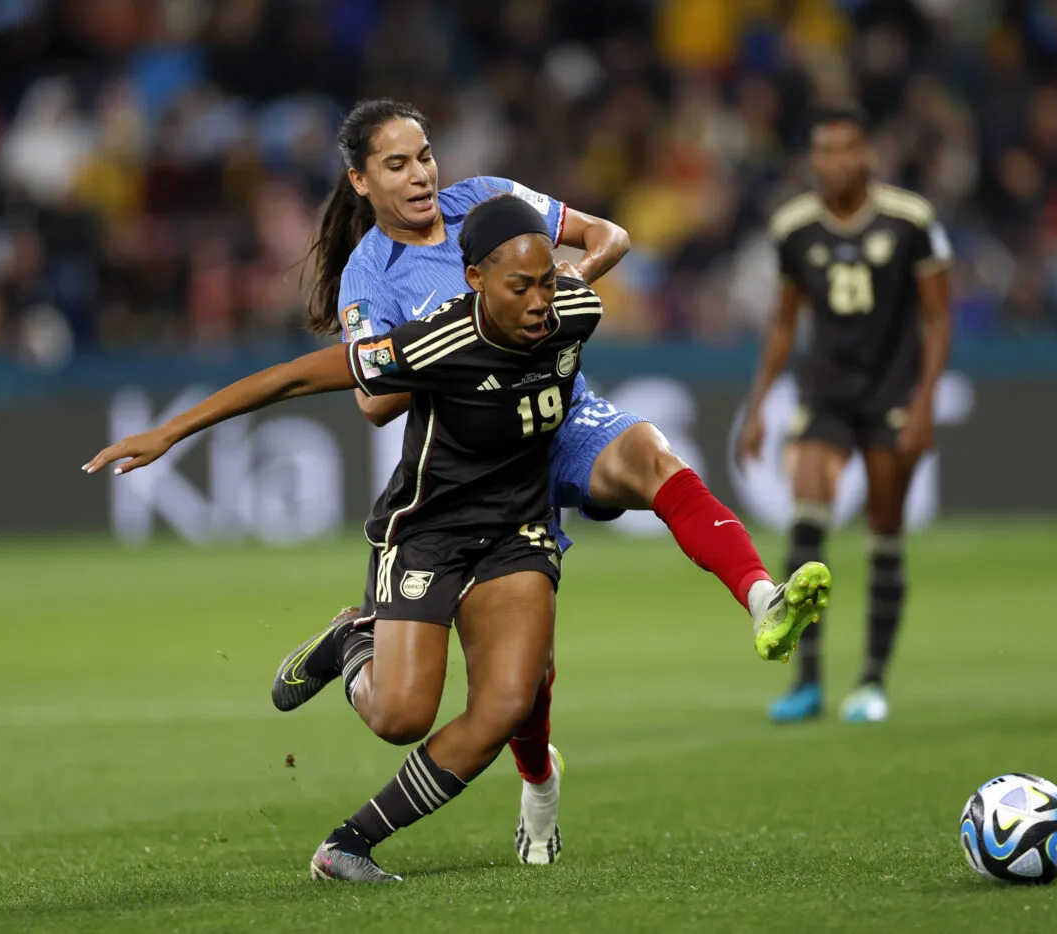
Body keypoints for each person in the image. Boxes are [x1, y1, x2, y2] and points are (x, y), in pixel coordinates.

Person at [85, 197, 821, 882]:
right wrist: (169, 433)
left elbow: (596, 263)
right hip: (428, 532)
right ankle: (354, 641)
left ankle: (348, 843)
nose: (539, 303)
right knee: (401, 718)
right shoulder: (431, 346)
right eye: (519, 288)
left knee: (507, 700)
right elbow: (286, 382)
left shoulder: (577, 308)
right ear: (474, 281)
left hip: (518, 529)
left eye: (546, 282)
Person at [269, 99, 832, 866]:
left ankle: (763, 599)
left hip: (559, 417)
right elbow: (373, 401)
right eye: (397, 164)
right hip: (482, 463)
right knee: (521, 677)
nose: (422, 174)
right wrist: (466, 337)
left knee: (655, 461)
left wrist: (562, 283)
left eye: (425, 154)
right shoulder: (372, 271)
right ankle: (529, 775)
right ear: (361, 180)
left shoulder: (490, 203)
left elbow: (610, 236)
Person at [737, 104, 952, 724]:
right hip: (824, 391)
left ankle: (871, 682)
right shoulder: (794, 227)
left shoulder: (912, 220)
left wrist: (925, 401)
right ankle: (805, 683)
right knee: (806, 521)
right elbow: (783, 322)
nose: (835, 162)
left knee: (884, 535)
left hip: (890, 391)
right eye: (823, 151)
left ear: (866, 155)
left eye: (846, 150)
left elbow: (937, 317)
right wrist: (756, 408)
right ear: (813, 158)